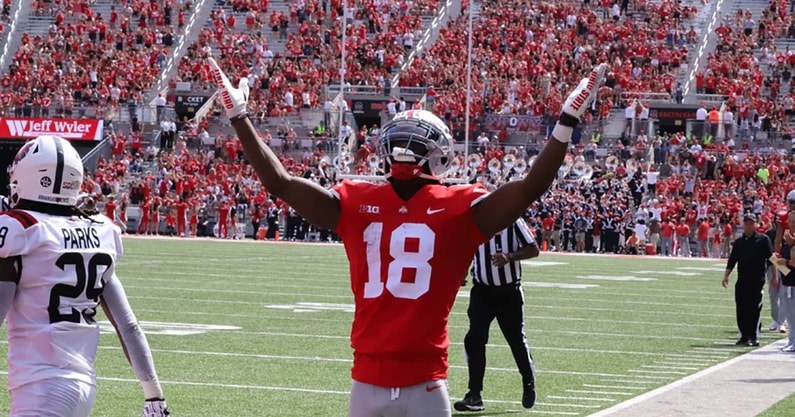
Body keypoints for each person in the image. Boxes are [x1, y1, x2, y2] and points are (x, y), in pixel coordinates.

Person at [209, 57, 607, 417]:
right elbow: (531, 187)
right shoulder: (458, 209)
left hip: (366, 385)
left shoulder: (355, 201)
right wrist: (566, 120)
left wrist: (240, 115)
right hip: (425, 386)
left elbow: (279, 183)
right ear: (439, 155)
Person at [0, 136, 170, 416]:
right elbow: (129, 327)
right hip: (84, 385)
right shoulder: (100, 231)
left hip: (39, 387)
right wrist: (154, 396)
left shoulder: (22, 229)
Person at [454, 219, 539, 412]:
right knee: (474, 339)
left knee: (515, 339)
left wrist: (509, 256)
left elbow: (533, 249)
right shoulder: (476, 222)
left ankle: (528, 383)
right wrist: (462, 272)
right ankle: (474, 394)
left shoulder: (513, 221)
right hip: (482, 292)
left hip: (508, 292)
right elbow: (468, 248)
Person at [723, 213, 774, 347]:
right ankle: (744, 336)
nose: (748, 226)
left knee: (754, 309)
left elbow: (772, 259)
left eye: (751, 223)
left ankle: (754, 336)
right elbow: (732, 259)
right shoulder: (739, 242)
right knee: (741, 309)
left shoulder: (763, 240)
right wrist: (726, 275)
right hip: (742, 280)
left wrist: (775, 277)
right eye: (746, 223)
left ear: (756, 224)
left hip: (757, 281)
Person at [774, 211, 795, 351]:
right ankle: (791, 340)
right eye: (790, 221)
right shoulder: (788, 236)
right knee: (789, 314)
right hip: (788, 280)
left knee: (793, 314)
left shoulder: (792, 240)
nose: (791, 224)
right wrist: (777, 261)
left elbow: (793, 262)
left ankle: (793, 342)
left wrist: (784, 261)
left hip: (793, 282)